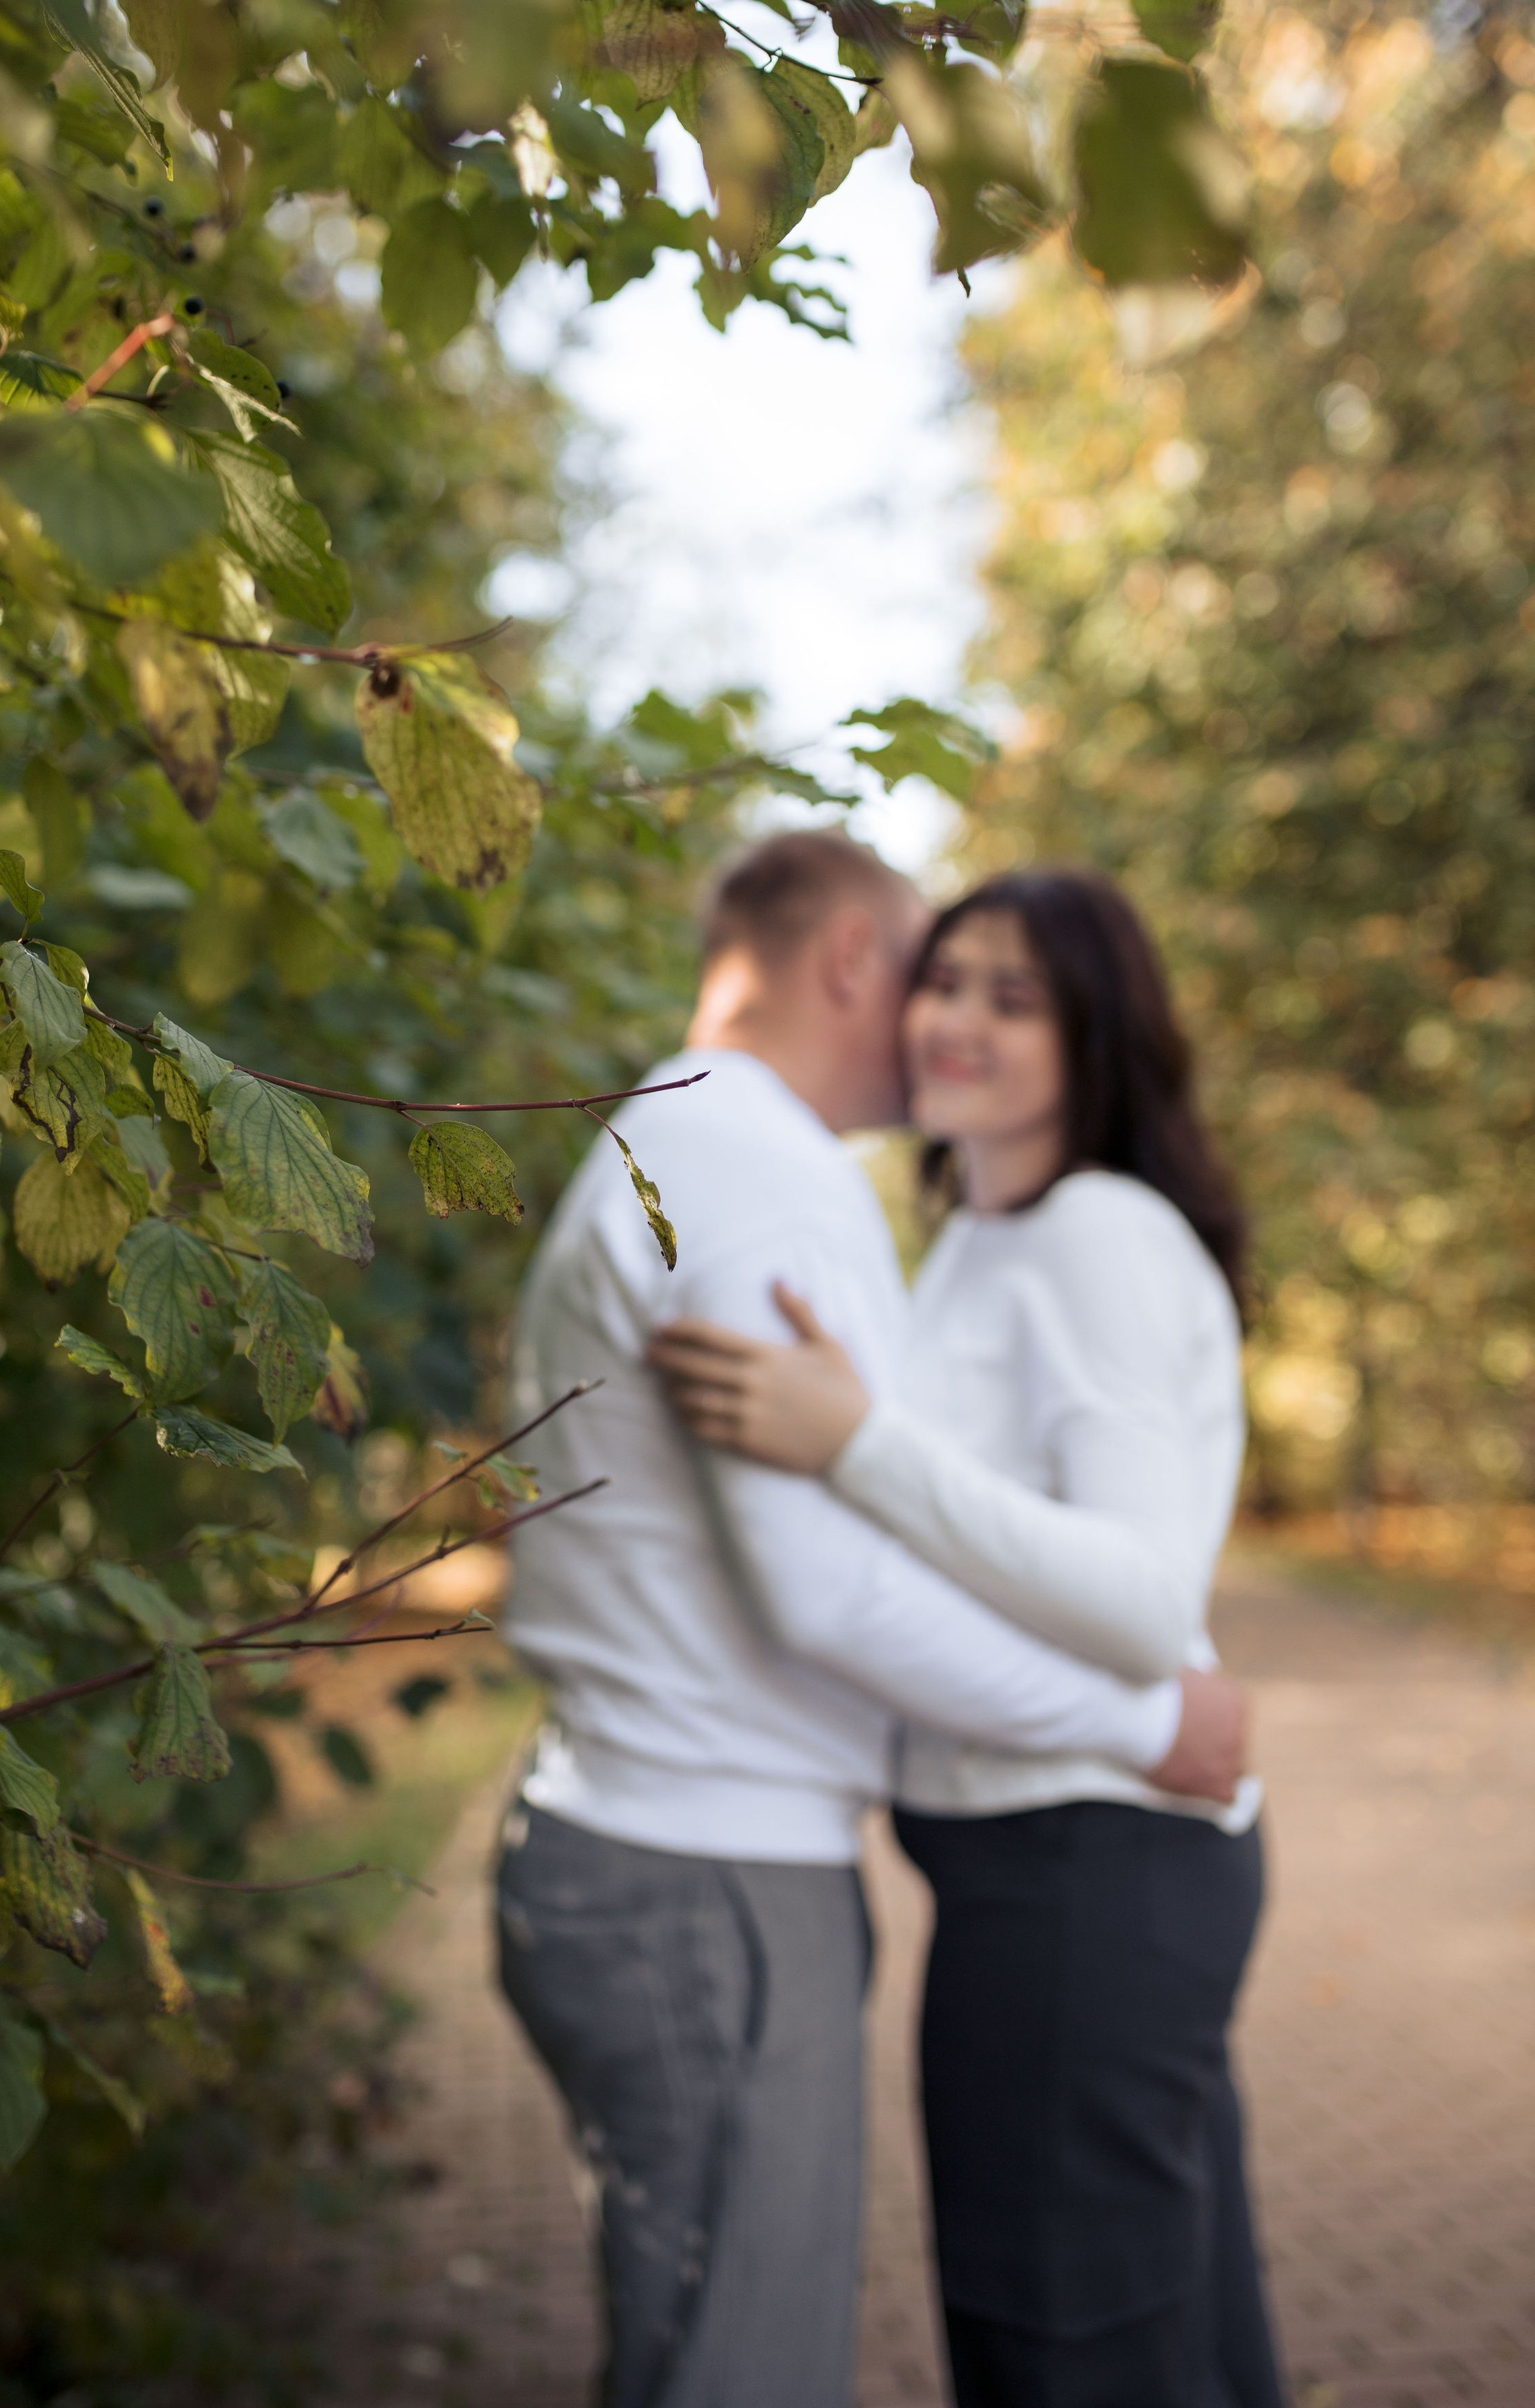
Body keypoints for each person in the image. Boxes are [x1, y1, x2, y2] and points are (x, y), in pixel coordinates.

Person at [497, 834, 1250, 2408]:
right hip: (894, 1864)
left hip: (1078, 1868)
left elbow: (1124, 1594)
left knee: (1081, 2342)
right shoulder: (883, 1216)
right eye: (939, 978)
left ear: (1093, 1035)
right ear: (858, 965)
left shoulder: (1059, 1227)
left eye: (1008, 999)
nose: (946, 1022)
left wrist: (855, 1441)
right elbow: (844, 1576)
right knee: (1104, 2335)